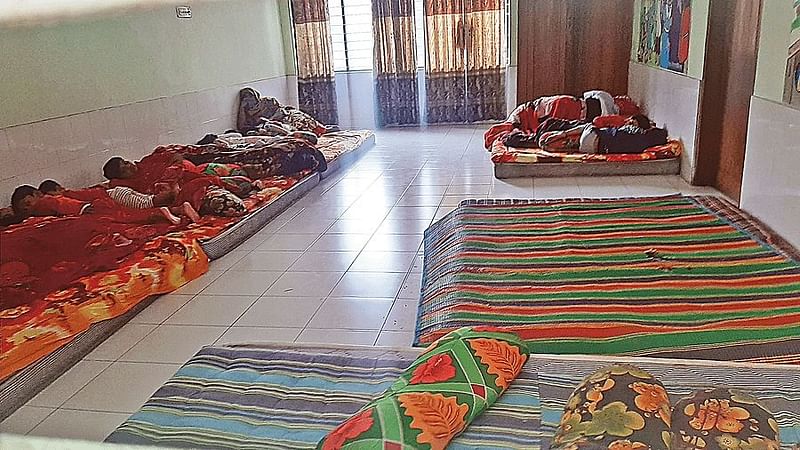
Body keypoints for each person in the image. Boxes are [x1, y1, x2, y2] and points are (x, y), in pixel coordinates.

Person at [37, 180, 200, 224]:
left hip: (113, 196)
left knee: (147, 204)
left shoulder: (65, 196)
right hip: (115, 193)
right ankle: (178, 208)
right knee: (146, 201)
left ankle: (172, 196)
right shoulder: (75, 192)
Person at [539, 114, 668, 154]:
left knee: (587, 126)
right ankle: (567, 144)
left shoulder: (635, 131)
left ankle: (562, 135)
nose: (628, 122)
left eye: (632, 121)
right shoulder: (641, 146)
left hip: (592, 135)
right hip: (592, 149)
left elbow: (597, 122)